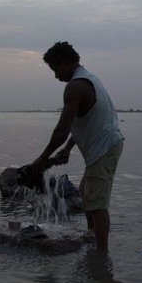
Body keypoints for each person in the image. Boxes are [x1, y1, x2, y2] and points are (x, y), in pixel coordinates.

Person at [32, 41, 124, 249]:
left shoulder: (75, 86)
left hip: (104, 147)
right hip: (104, 145)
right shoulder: (88, 79)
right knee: (87, 195)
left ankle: (101, 255)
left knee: (98, 205)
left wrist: (43, 157)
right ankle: (92, 240)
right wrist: (67, 149)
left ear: (66, 63)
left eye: (56, 69)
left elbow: (61, 131)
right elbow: (83, 122)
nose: (56, 76)